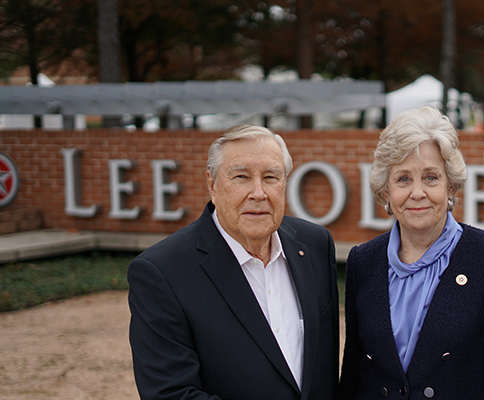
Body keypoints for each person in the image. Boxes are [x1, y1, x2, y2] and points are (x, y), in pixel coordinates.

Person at [128, 124, 339, 400]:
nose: (258, 193)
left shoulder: (315, 245)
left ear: (285, 183)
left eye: (271, 177)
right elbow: (170, 393)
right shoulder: (161, 272)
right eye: (241, 177)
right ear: (212, 185)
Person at [339, 107, 484, 399]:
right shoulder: (363, 262)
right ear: (385, 192)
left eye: (430, 177)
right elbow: (353, 375)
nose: (417, 193)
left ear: (450, 186)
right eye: (403, 179)